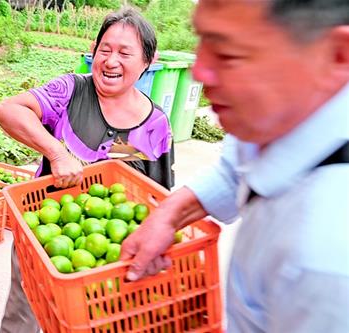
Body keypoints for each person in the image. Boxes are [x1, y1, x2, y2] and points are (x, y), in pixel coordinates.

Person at [120, 0, 349, 332]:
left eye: (229, 54)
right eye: (203, 40)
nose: (199, 71)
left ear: (336, 55)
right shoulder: (275, 117)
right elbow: (235, 169)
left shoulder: (326, 261)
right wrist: (169, 215)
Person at [0, 8, 174, 332]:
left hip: (109, 257)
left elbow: (159, 198)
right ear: (93, 51)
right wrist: (56, 152)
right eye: (105, 49)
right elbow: (7, 110)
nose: (111, 60)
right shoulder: (71, 91)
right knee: (23, 320)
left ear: (147, 61)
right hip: (42, 236)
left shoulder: (155, 125)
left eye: (124, 52)